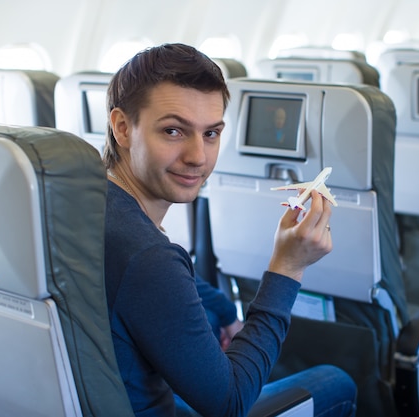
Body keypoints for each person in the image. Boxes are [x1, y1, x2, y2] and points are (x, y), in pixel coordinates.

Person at [102, 43, 357, 417]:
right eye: (173, 131)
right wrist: (287, 268)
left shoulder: (90, 197)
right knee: (336, 383)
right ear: (123, 128)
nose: (198, 157)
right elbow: (229, 404)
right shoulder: (148, 256)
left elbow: (160, 284)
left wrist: (224, 311)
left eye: (211, 133)